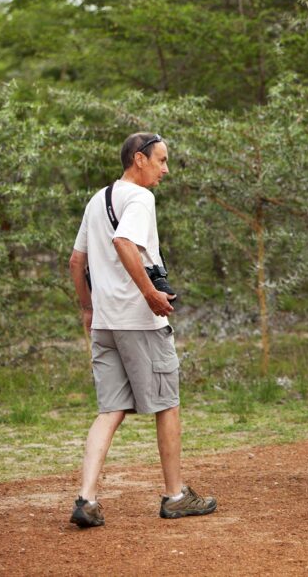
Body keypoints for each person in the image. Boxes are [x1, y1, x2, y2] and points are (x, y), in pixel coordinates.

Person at [68, 132, 216, 528]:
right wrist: (150, 293)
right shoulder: (141, 198)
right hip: (139, 321)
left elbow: (75, 260)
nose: (166, 169)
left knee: (110, 408)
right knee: (167, 403)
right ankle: (176, 495)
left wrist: (87, 307)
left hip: (105, 323)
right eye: (161, 160)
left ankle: (86, 498)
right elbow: (123, 242)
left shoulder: (97, 199)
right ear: (139, 159)